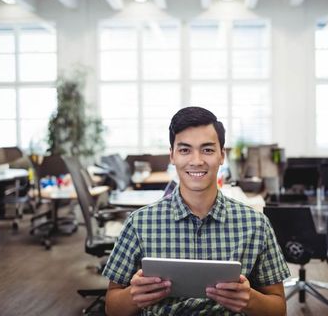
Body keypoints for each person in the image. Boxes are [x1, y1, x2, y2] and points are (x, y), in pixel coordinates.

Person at [102, 106, 290, 316]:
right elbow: (112, 307)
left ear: (222, 155)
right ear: (172, 155)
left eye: (207, 150)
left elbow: (278, 309)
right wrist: (132, 297)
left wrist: (250, 300)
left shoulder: (256, 225)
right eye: (185, 150)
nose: (197, 160)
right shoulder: (139, 223)